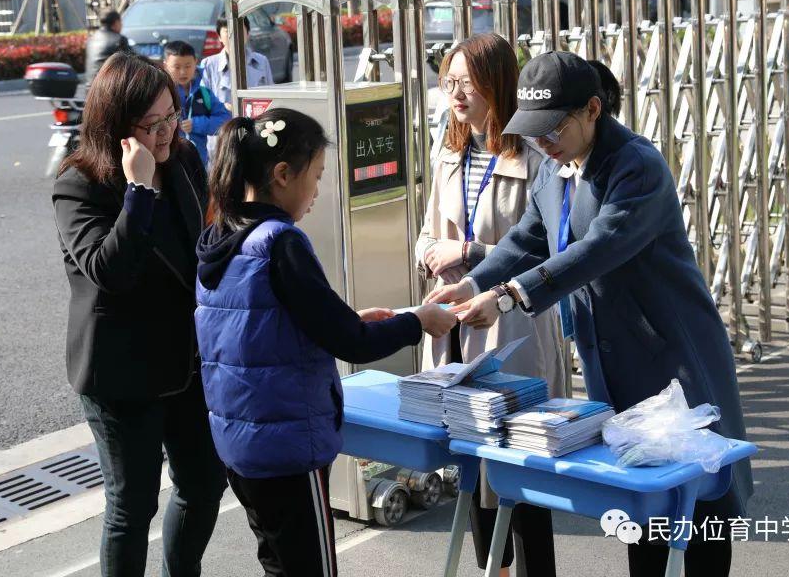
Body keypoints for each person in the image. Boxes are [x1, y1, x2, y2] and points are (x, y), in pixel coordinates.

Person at [426, 51, 753, 577]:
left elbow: (595, 250)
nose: (544, 142)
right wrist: (470, 283)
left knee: (697, 503)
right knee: (637, 504)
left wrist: (508, 295)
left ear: (593, 110)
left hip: (672, 355)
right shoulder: (555, 169)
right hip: (609, 359)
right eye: (533, 131)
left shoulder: (636, 166)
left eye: (553, 128)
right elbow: (527, 238)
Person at [194, 108, 457, 577]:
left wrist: (346, 319)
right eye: (315, 176)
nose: (316, 192)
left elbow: (258, 330)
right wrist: (418, 321)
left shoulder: (221, 235)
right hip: (288, 447)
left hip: (240, 442)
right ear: (281, 175)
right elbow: (351, 343)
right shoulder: (281, 243)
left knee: (279, 562)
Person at [53, 52, 225, 577]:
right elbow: (112, 271)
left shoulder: (186, 159)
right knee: (133, 506)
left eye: (172, 115)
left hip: (186, 361)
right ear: (116, 125)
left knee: (203, 483)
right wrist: (139, 190)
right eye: (152, 124)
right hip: (122, 372)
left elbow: (205, 244)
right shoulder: (78, 184)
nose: (167, 131)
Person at [416, 34, 564, 577]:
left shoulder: (532, 153)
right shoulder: (450, 148)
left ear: (497, 84)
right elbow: (430, 223)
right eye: (449, 82)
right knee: (471, 467)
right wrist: (427, 250)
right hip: (455, 319)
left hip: (512, 320)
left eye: (467, 83)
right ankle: (492, 570)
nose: (456, 94)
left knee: (519, 466)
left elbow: (547, 242)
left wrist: (471, 253)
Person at [162, 40, 230, 166]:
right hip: (170, 163)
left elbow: (226, 120)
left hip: (199, 163)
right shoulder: (162, 94)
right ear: (165, 65)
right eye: (177, 67)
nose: (183, 72)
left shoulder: (204, 92)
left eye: (188, 66)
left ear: (196, 62)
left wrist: (197, 124)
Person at [200, 16, 274, 110]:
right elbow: (203, 102)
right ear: (219, 37)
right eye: (228, 31)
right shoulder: (208, 65)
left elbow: (271, 97)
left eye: (239, 30)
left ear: (247, 34)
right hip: (223, 122)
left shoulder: (262, 61)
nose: (234, 35)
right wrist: (222, 108)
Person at [85, 8, 132, 83]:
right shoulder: (119, 39)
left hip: (90, 90)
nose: (122, 25)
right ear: (116, 23)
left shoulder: (91, 39)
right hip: (108, 90)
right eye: (121, 22)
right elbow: (132, 63)